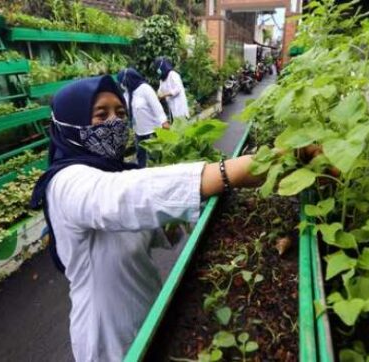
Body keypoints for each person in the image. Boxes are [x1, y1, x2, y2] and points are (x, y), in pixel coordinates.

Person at [29, 75, 261, 362]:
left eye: (120, 113)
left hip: (147, 308)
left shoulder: (113, 172)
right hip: (107, 336)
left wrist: (178, 217)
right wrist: (226, 173)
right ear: (69, 124)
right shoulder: (65, 183)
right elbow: (124, 197)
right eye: (101, 115)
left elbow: (150, 226)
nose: (114, 122)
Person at [117, 68, 170, 168]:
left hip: (152, 129)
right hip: (139, 131)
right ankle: (142, 173)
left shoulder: (145, 89)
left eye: (122, 82)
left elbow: (156, 106)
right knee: (140, 154)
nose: (121, 85)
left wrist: (164, 121)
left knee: (154, 154)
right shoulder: (126, 93)